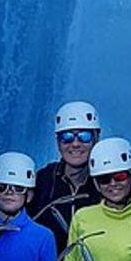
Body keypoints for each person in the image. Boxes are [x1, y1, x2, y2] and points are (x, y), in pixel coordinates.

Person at [27, 101, 103, 251]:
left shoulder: (109, 183)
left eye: (84, 136)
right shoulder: (43, 180)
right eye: (67, 137)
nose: (75, 144)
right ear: (57, 142)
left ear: (96, 138)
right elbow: (11, 214)